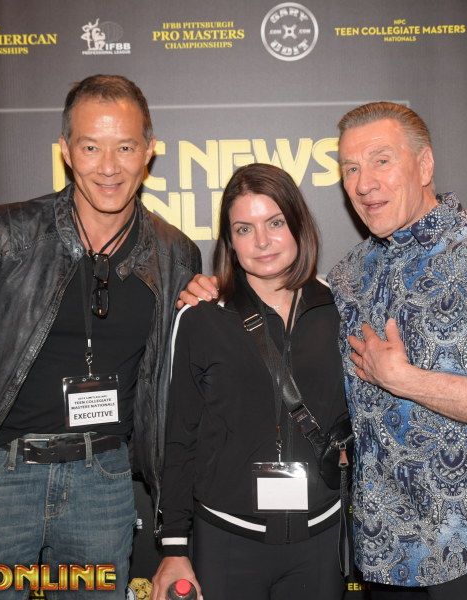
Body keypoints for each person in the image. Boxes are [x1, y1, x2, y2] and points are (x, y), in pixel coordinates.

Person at [179, 102, 467, 599]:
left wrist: (406, 380)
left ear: (424, 164)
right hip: (387, 557)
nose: (364, 183)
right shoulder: (349, 277)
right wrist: (217, 287)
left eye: (382, 161)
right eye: (351, 169)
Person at [0, 74, 201, 598]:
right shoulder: (4, 234)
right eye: (91, 147)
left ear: (149, 152)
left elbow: (180, 378)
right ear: (66, 151)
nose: (109, 166)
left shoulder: (175, 254)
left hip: (103, 485)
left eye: (125, 147)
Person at [152, 163, 348, 600]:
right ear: (230, 241)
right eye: (244, 229)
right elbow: (180, 436)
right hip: (227, 538)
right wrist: (174, 545)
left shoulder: (339, 308)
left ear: (298, 224)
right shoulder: (202, 316)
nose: (262, 241)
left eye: (274, 223)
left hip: (320, 540)